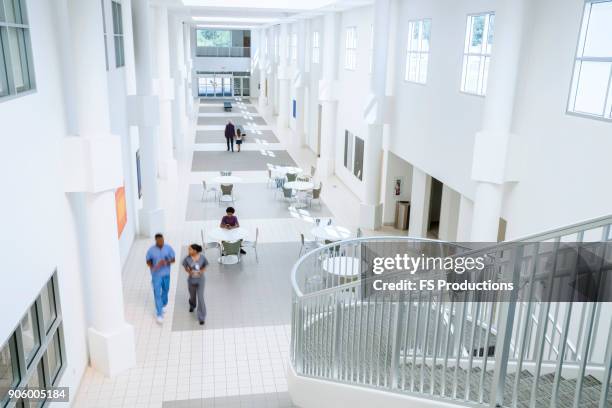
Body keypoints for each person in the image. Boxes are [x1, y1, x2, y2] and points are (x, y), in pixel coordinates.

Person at [145, 233, 176, 324]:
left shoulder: (168, 248)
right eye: (159, 241)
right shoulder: (151, 250)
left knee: (166, 289)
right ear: (156, 241)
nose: (161, 242)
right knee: (157, 293)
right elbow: (148, 261)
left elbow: (173, 259)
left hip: (166, 274)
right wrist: (153, 266)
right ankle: (159, 314)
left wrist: (165, 262)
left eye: (162, 240)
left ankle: (163, 304)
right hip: (156, 275)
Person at [182, 244, 208, 325]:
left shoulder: (202, 258)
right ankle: (192, 305)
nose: (188, 251)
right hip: (191, 280)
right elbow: (185, 267)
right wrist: (189, 271)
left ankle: (201, 317)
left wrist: (201, 271)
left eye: (190, 249)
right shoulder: (187, 259)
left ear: (195, 251)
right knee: (192, 296)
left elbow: (205, 266)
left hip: (200, 280)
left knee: (200, 297)